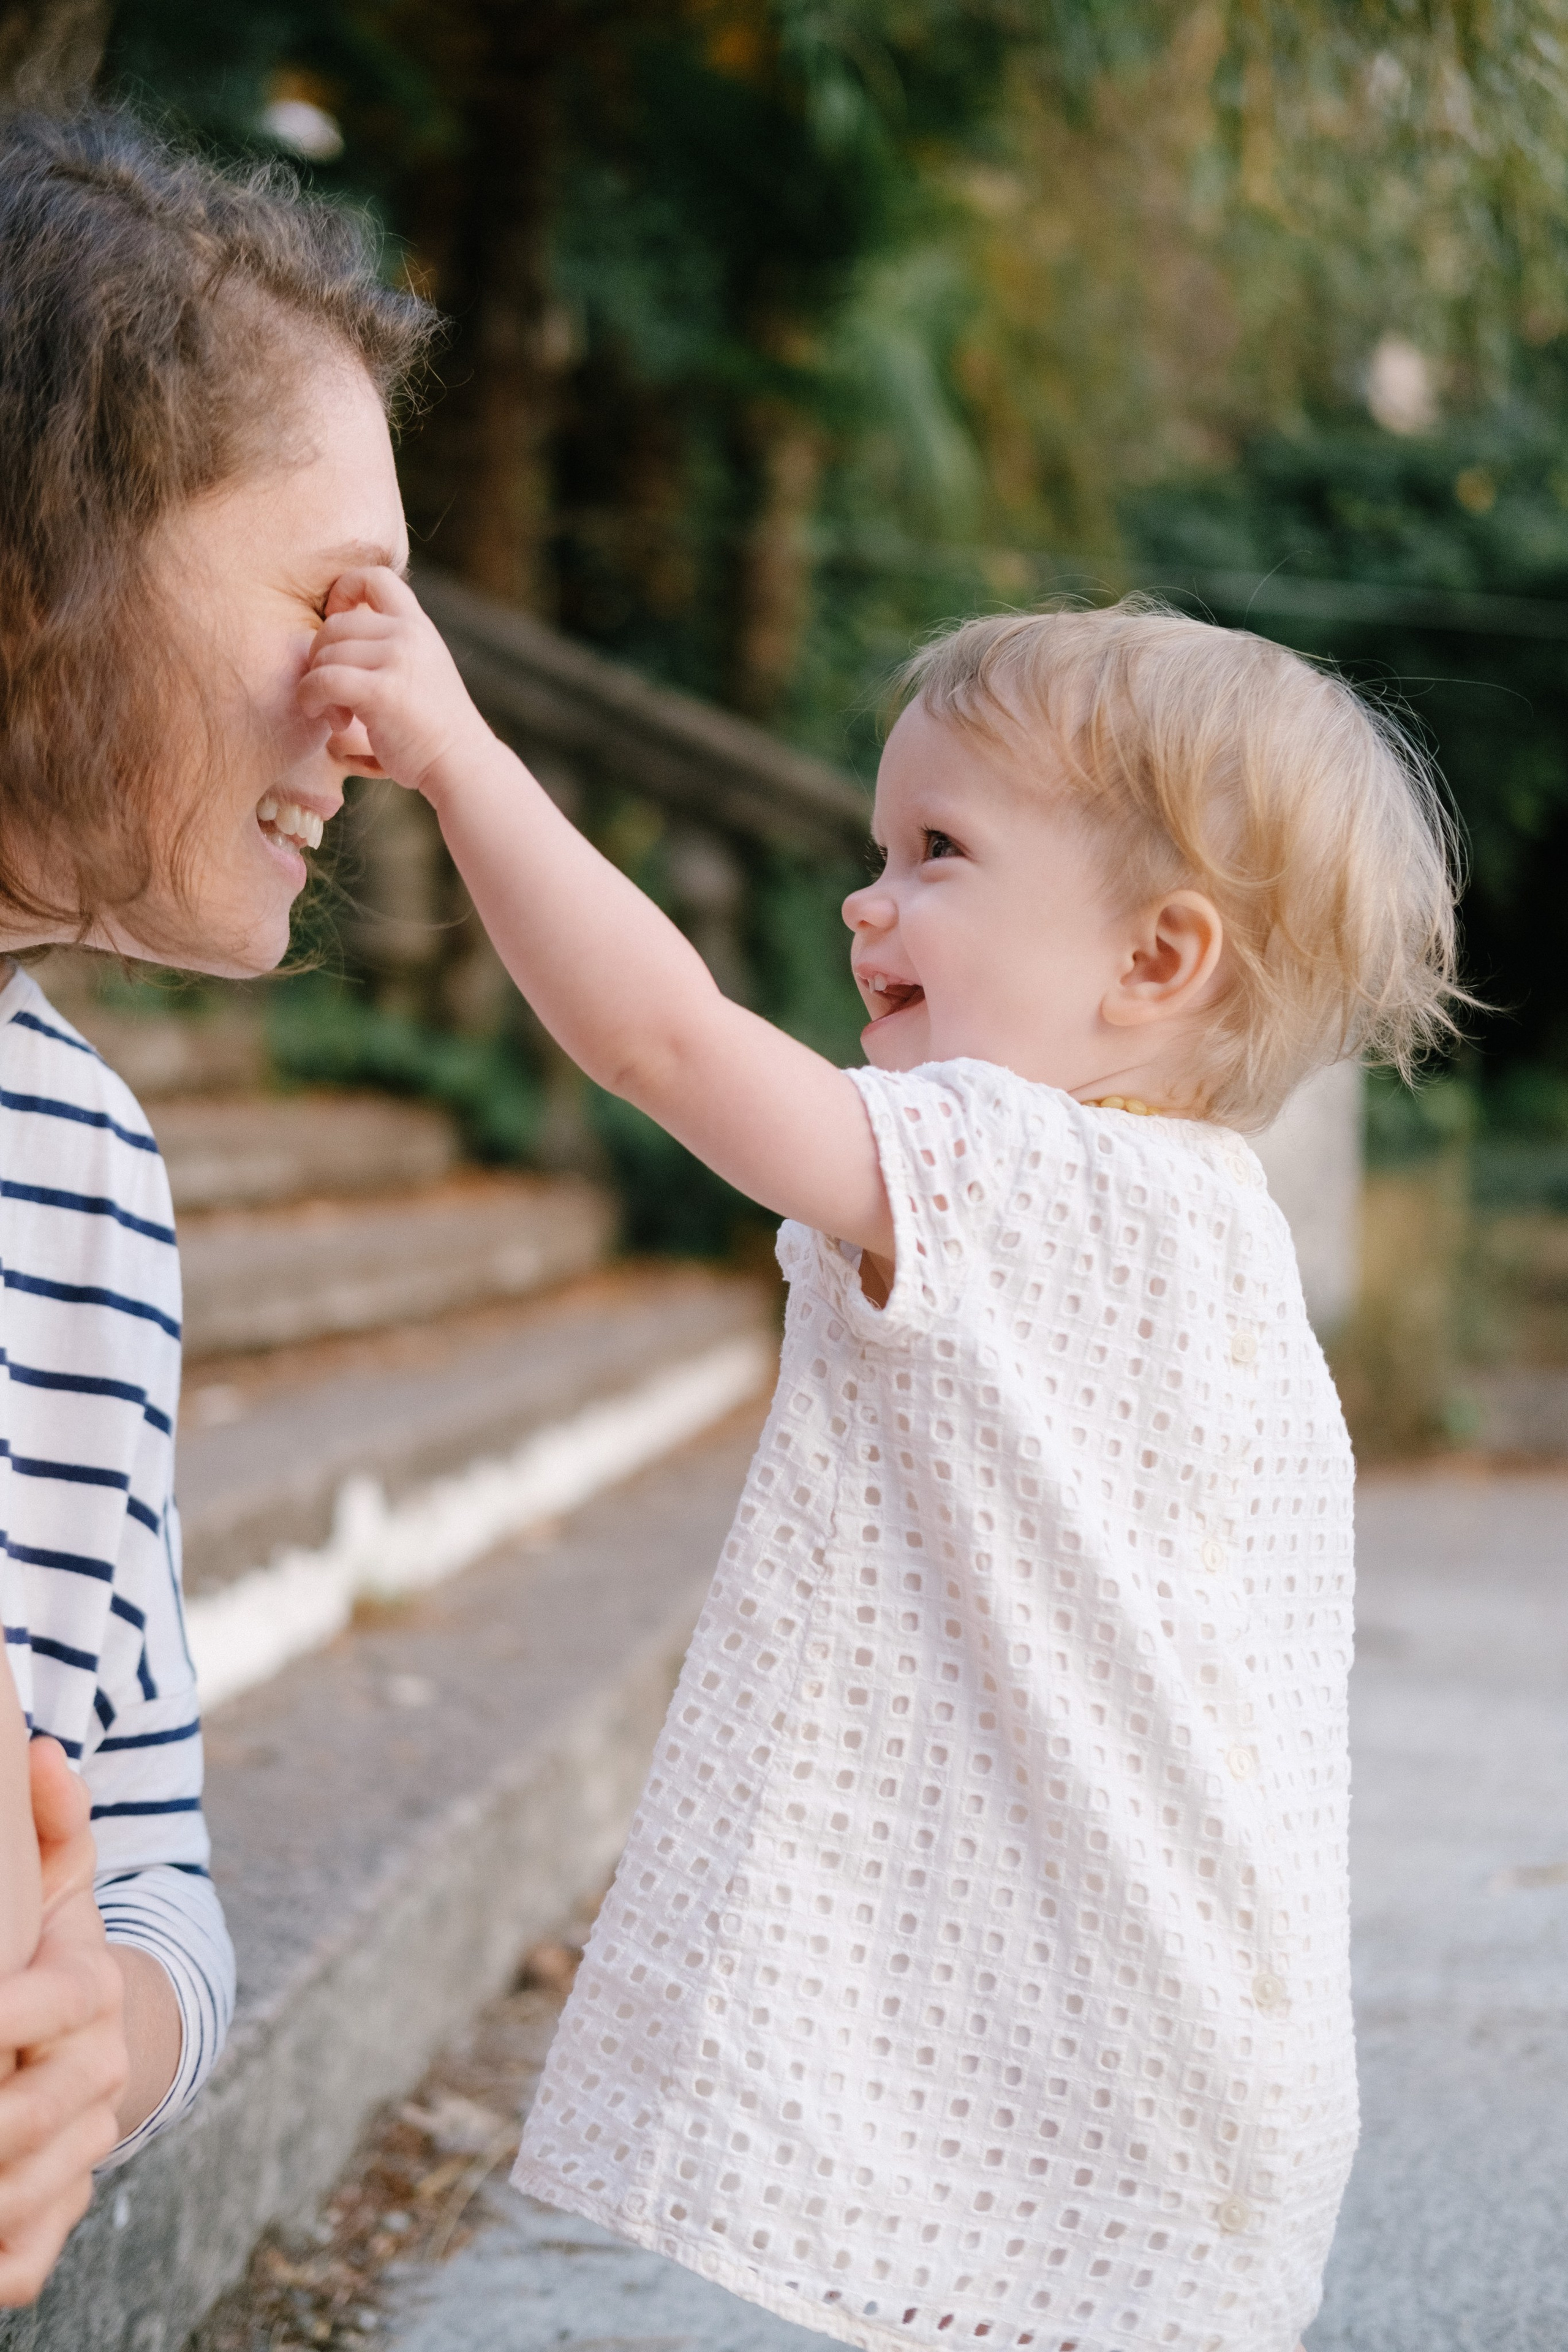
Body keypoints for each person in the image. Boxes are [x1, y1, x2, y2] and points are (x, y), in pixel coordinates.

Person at [298, 576, 1463, 2352]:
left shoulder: (1009, 1177)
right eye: (878, 843)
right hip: (1227, 2034)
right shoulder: (1221, 1241)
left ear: (1157, 959)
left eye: (938, 849)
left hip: (1082, 2015)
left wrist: (459, 758)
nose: (868, 896)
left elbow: (664, 1040)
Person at [0, 108, 432, 2301]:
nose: (380, 713)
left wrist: (107, 2045)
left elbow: (155, 1860)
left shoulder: (84, 1180)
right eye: (333, 597)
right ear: (31, 587)